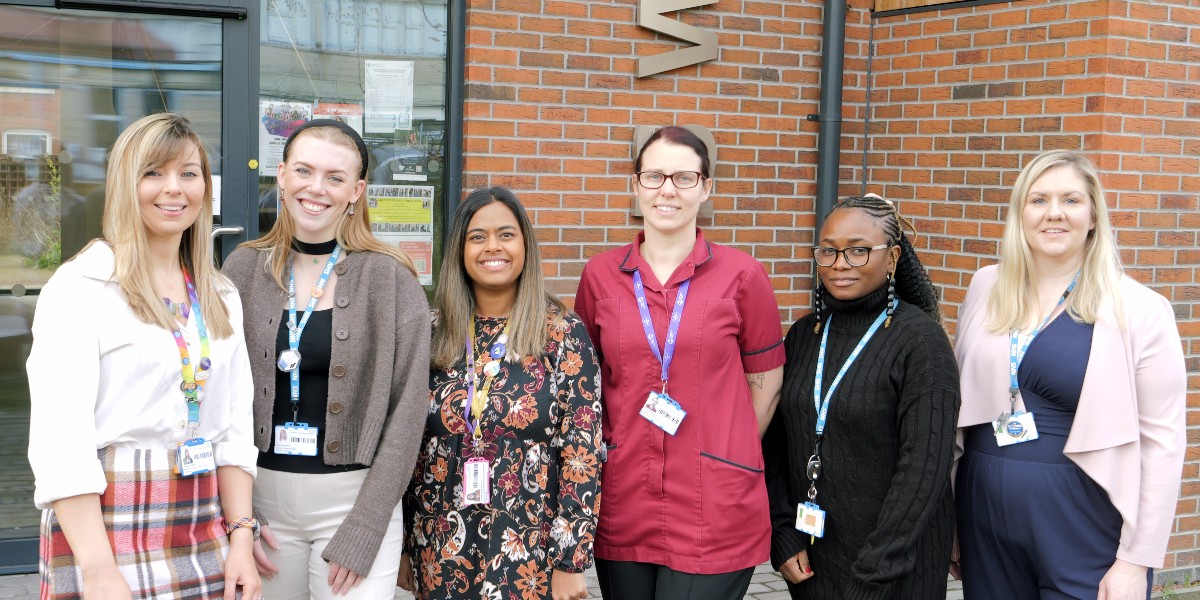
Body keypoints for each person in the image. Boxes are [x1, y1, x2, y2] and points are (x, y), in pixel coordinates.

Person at [27, 113, 260, 599]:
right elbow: (60, 443)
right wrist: (98, 570)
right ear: (123, 184)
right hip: (104, 524)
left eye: (189, 173)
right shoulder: (80, 288)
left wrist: (241, 537)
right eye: (153, 172)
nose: (173, 189)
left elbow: (234, 429)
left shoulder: (220, 294)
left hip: (201, 519)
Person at [953, 150, 1186, 599]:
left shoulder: (1139, 309)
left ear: (1094, 214)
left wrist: (1135, 561)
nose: (1053, 213)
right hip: (983, 517)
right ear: (1020, 212)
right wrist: (950, 521)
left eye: (1071, 200)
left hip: (1083, 521)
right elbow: (960, 414)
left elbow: (1163, 444)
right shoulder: (985, 286)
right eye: (1038, 200)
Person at [574, 125, 785, 599]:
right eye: (654, 176)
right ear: (636, 185)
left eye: (684, 177)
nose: (667, 189)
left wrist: (725, 451)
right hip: (625, 495)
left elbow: (766, 378)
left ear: (705, 188)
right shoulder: (600, 276)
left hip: (714, 503)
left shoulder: (743, 275)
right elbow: (585, 383)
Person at [223, 119, 430, 599]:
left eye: (335, 178)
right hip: (261, 500)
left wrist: (366, 525)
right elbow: (220, 398)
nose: (316, 189)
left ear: (356, 190)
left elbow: (407, 414)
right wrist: (238, 521)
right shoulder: (241, 269)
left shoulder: (392, 279)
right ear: (281, 175)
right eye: (304, 171)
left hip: (354, 502)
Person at [396, 186, 602, 600]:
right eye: (478, 237)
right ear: (459, 249)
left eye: (506, 234)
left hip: (529, 551)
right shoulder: (432, 332)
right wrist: (401, 546)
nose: (493, 247)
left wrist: (571, 560)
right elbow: (405, 448)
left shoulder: (561, 334)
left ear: (525, 244)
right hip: (439, 548)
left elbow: (582, 451)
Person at [763, 194, 959, 599]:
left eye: (858, 251)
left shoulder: (920, 341)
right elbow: (777, 444)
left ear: (892, 258)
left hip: (895, 568)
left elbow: (923, 470)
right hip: (814, 558)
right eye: (829, 252)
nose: (840, 265)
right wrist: (783, 533)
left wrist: (875, 571)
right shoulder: (804, 335)